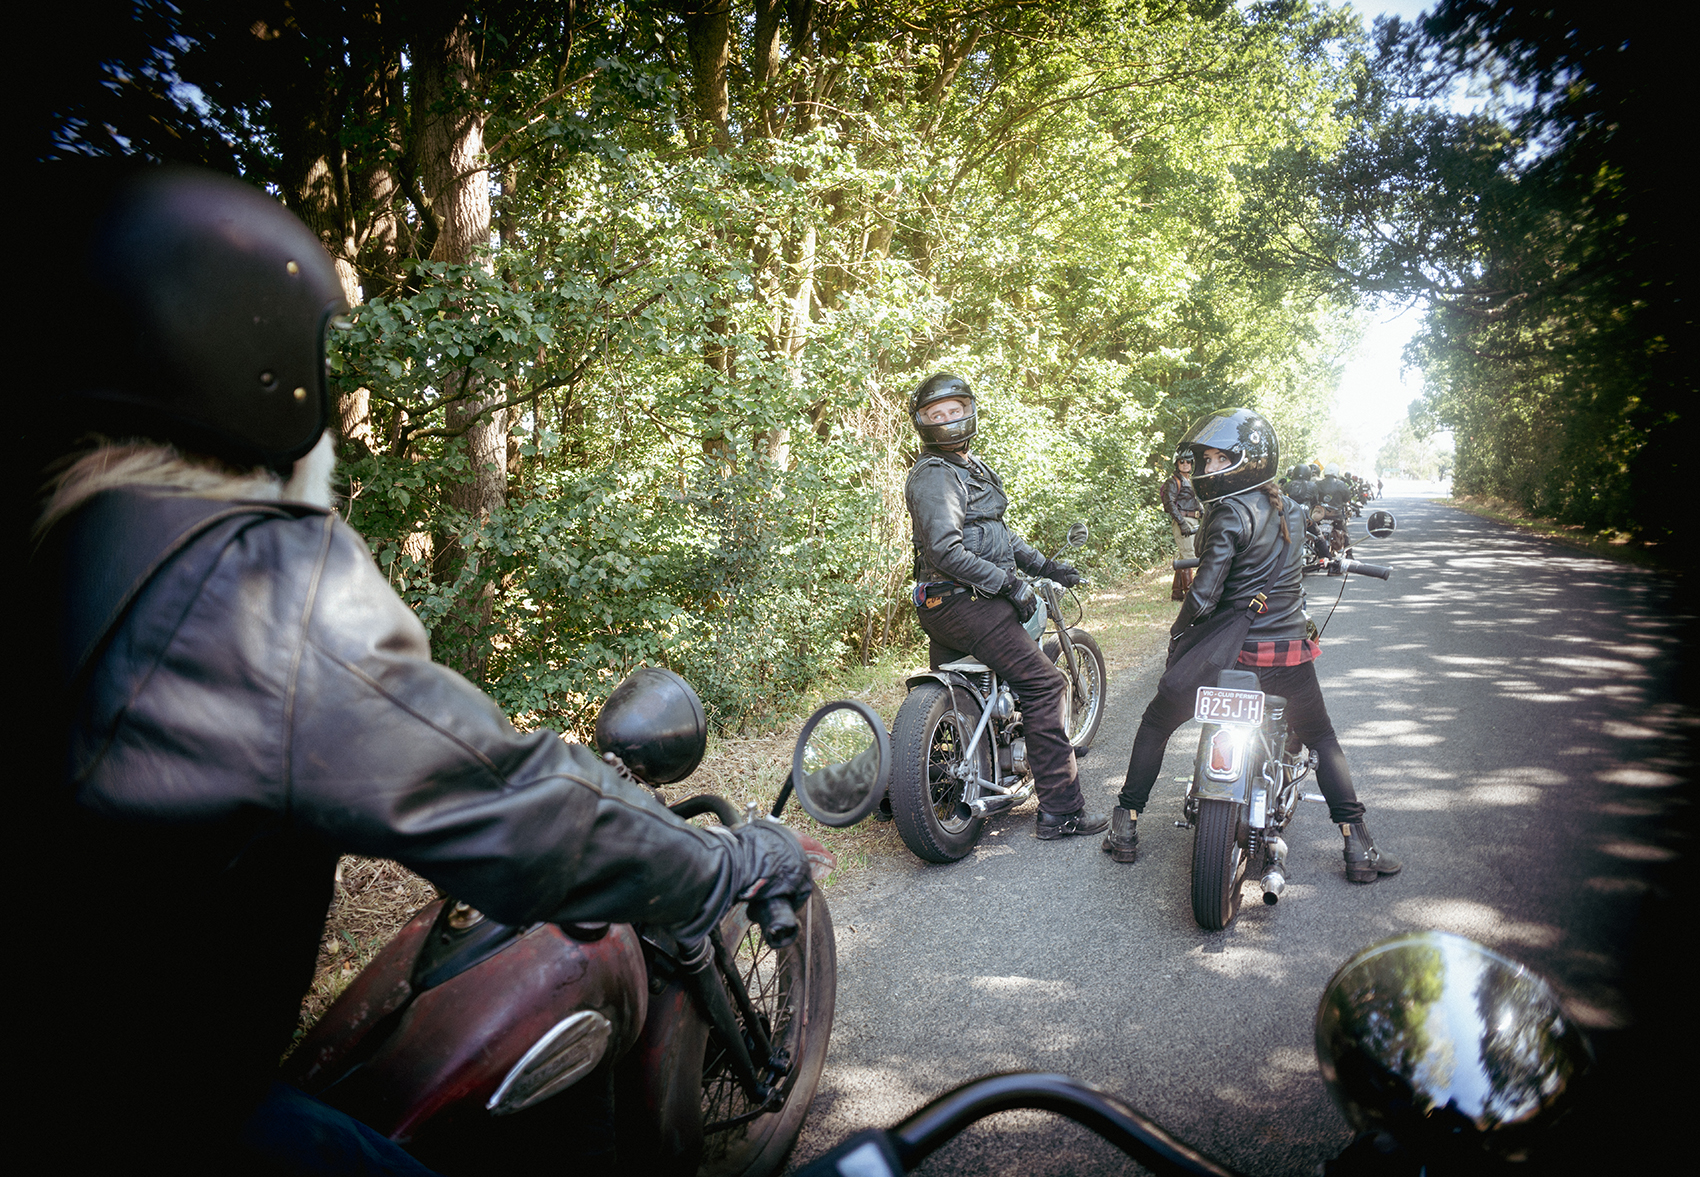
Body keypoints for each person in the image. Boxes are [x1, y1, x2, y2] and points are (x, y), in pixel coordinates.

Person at [15, 164, 814, 1174]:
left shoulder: (72, 548)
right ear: (257, 364)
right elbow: (499, 797)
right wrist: (723, 866)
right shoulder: (241, 577)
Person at [1100, 407, 1402, 882]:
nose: (1208, 469)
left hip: (1231, 658)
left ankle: (1125, 824)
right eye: (1208, 460)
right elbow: (1308, 551)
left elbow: (1203, 597)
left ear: (1247, 460)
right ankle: (1358, 845)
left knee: (1158, 720)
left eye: (1220, 460)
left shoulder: (1228, 515)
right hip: (1287, 656)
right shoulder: (1292, 510)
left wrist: (1179, 639)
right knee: (1322, 739)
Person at [903, 372, 1108, 840]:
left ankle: (943, 785)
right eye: (937, 415)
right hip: (966, 600)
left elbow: (998, 534)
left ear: (970, 411)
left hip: (952, 600)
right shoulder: (936, 475)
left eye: (955, 410)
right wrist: (1009, 586)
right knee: (1045, 684)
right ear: (923, 424)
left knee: (962, 697)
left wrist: (1047, 567)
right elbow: (945, 551)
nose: (948, 420)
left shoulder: (968, 468)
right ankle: (1061, 809)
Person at [1160, 448, 1202, 600]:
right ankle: (1190, 593)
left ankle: (1177, 593)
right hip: (1183, 521)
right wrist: (1181, 522)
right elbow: (1169, 504)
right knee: (1189, 556)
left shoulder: (1191, 481)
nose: (1185, 464)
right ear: (1176, 463)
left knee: (1185, 556)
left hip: (1194, 520)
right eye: (1181, 461)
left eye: (1188, 461)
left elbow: (1195, 500)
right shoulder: (1173, 481)